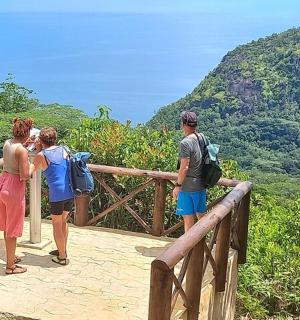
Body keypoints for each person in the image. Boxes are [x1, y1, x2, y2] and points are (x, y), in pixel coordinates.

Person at [30, 127, 74, 266]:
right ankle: (63, 250)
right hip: (70, 191)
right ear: (55, 139)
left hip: (57, 194)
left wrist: (37, 150)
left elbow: (30, 172)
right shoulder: (65, 149)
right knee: (63, 221)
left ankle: (62, 257)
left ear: (41, 140)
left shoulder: (41, 155)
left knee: (56, 223)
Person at [0, 118, 33, 274]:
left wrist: (24, 145)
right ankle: (10, 267)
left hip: (3, 183)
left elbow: (14, 153)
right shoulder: (22, 151)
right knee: (13, 229)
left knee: (7, 226)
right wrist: (36, 164)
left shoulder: (7, 143)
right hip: (14, 189)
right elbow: (25, 175)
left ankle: (11, 258)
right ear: (26, 133)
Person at [173, 111, 207, 232]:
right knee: (202, 218)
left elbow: (184, 168)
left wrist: (177, 186)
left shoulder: (185, 143)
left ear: (184, 125)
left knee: (188, 220)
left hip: (188, 187)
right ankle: (203, 248)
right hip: (201, 184)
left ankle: (190, 250)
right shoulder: (201, 137)